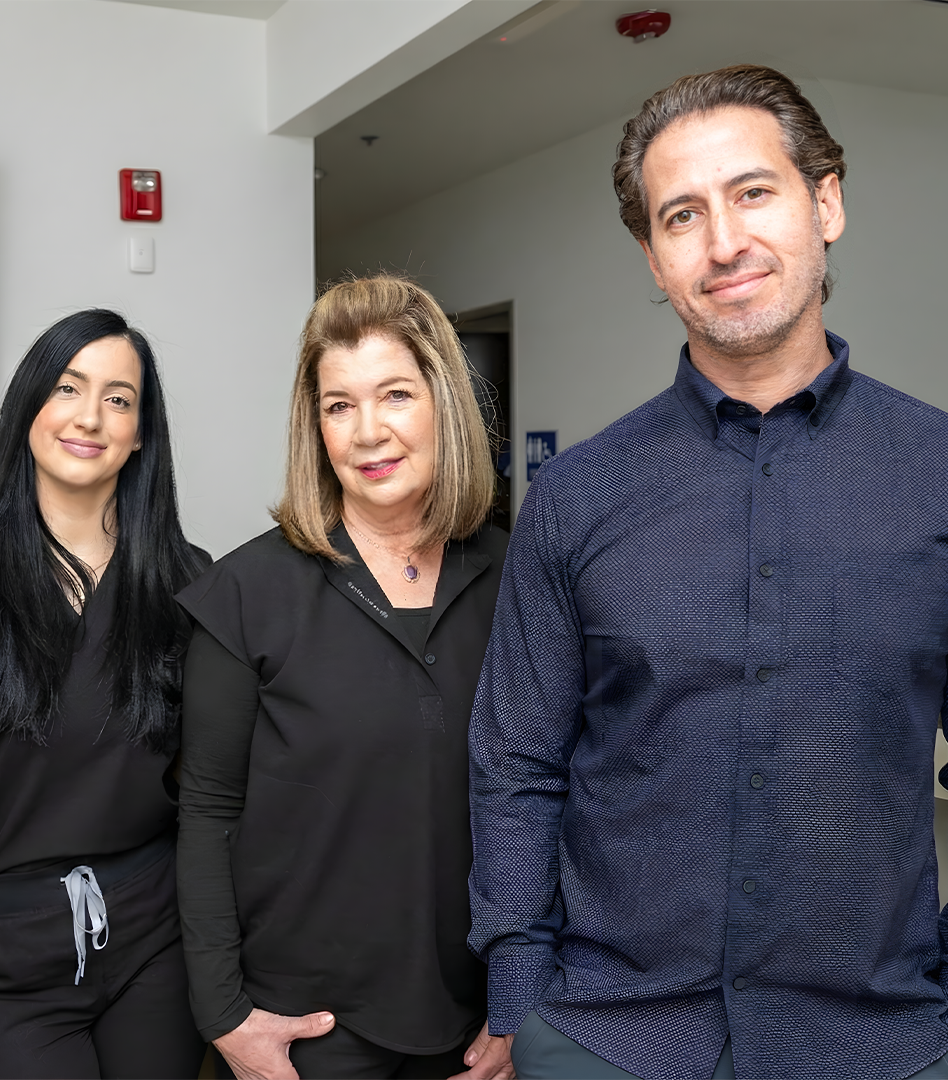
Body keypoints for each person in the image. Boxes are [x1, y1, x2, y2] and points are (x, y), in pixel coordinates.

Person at [469, 64, 948, 1080]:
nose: (723, 241)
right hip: (609, 1040)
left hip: (883, 1045)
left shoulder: (938, 476)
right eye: (681, 215)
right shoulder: (577, 496)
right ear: (652, 256)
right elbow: (518, 764)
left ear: (827, 203)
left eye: (754, 193)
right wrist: (520, 999)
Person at [177, 275, 512, 1080]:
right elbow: (206, 813)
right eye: (338, 406)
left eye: (395, 395)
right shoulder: (245, 594)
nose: (368, 433)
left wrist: (520, 1001)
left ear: (443, 405)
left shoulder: (515, 578)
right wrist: (224, 1014)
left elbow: (545, 801)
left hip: (474, 1021)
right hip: (305, 1028)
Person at [0, 309, 210, 1078]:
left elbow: (205, 772)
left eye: (119, 399)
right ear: (28, 407)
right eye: (67, 387)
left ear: (140, 433)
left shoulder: (188, 580)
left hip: (155, 928)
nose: (90, 416)